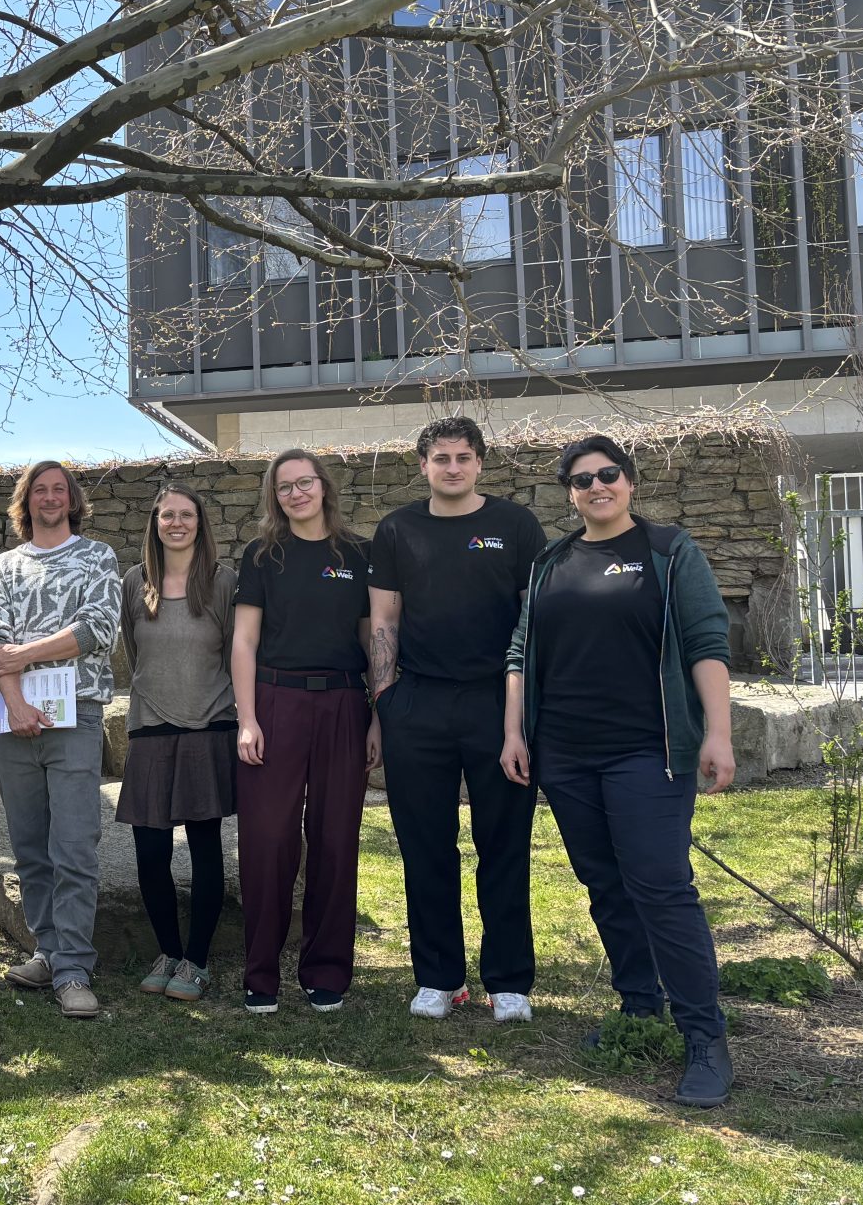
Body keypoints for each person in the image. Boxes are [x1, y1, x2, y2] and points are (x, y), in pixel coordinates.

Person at [503, 434, 738, 1107]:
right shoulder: (552, 560)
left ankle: (706, 1039)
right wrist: (514, 731)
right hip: (566, 754)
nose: (596, 486)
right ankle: (640, 1007)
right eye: (581, 480)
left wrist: (716, 734)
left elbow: (706, 640)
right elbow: (521, 648)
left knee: (661, 888)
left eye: (608, 474)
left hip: (647, 751)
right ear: (569, 493)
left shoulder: (668, 551)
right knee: (604, 884)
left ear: (630, 481)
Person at [369, 416, 546, 1020]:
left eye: (463, 457)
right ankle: (440, 977)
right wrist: (386, 699)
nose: (452, 467)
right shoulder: (396, 530)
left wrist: (520, 713)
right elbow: (384, 620)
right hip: (417, 702)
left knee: (503, 843)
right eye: (440, 457)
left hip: (498, 702)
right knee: (425, 846)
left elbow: (532, 623)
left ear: (479, 464)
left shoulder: (515, 525)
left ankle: (508, 980)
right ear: (422, 465)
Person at [0, 461, 122, 1018]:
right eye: (40, 490)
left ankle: (76, 968)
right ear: (26, 501)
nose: (51, 497)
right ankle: (49, 949)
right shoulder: (7, 565)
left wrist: (23, 655)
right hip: (14, 720)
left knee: (75, 845)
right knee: (30, 846)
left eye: (60, 489)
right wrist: (14, 701)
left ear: (73, 499)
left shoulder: (97, 557)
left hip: (76, 716)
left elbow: (96, 630)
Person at [231, 451, 373, 1015]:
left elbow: (373, 638)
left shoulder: (359, 554)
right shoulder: (263, 555)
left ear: (323, 486)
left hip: (343, 702)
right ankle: (261, 974)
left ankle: (327, 970)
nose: (296, 493)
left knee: (336, 838)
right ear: (274, 495)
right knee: (268, 841)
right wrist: (247, 718)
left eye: (304, 483)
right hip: (275, 701)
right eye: (284, 487)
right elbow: (244, 641)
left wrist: (378, 716)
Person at [117, 483, 237, 1005]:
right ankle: (167, 950)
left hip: (206, 728)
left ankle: (198, 959)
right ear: (155, 523)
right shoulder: (133, 583)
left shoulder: (222, 582)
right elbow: (131, 649)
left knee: (206, 850)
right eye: (167, 515)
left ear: (199, 522)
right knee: (150, 852)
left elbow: (238, 654)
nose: (176, 523)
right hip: (149, 730)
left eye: (186, 515)